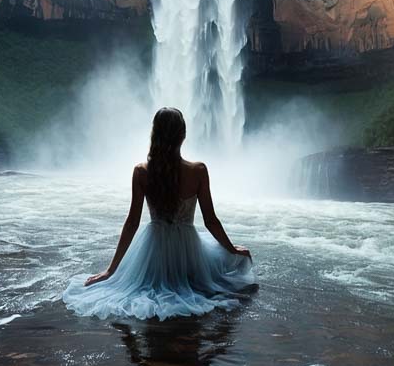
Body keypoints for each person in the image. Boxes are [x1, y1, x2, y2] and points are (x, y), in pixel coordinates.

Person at [63, 107, 256, 321]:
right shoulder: (198, 171)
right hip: (189, 251)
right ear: (183, 135)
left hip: (152, 252)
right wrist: (231, 249)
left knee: (142, 289)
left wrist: (112, 270)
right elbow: (211, 221)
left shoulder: (141, 172)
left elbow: (132, 223)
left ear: (154, 134)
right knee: (217, 278)